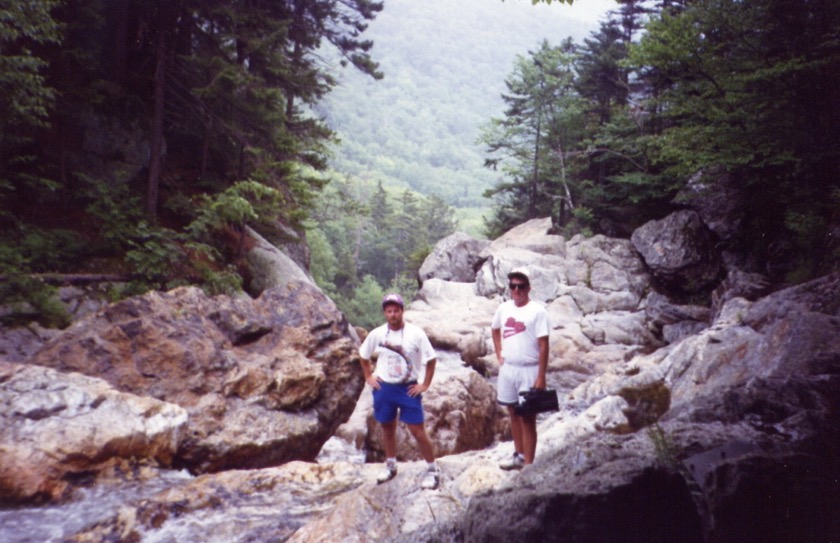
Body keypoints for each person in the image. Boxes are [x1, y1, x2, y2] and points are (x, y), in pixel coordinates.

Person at [358, 293, 440, 489]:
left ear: (402, 311)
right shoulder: (377, 334)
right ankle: (391, 465)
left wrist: (425, 384)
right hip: (384, 387)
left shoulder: (416, 333)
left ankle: (432, 469)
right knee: (387, 427)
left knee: (417, 430)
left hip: (408, 388)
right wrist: (369, 376)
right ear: (385, 313)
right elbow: (363, 355)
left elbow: (431, 359)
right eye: (389, 311)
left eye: (396, 310)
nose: (393, 314)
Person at [491, 267, 550, 469]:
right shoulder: (504, 308)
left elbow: (544, 345)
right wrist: (499, 353)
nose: (516, 290)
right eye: (513, 286)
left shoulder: (538, 311)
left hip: (529, 369)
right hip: (508, 368)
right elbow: (495, 329)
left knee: (528, 418)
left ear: (528, 288)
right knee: (513, 413)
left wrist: (541, 377)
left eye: (521, 286)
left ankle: (529, 466)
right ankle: (519, 455)